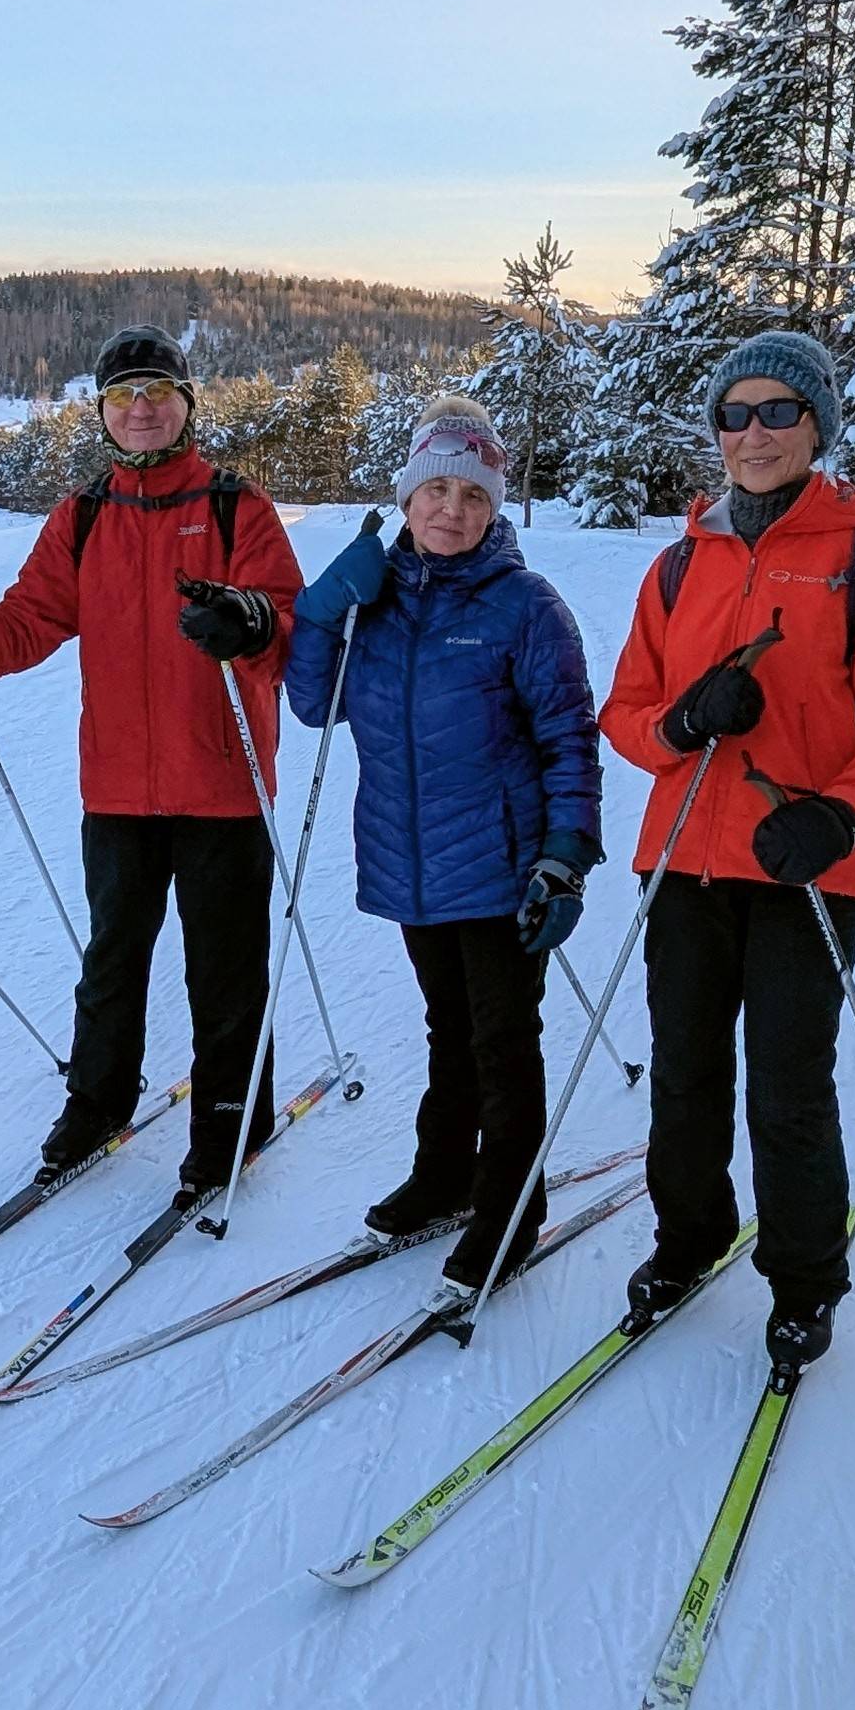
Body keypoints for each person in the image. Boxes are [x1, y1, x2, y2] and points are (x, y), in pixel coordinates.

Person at [0, 325, 305, 1211]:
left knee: (225, 969)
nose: (142, 407)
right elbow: (24, 625)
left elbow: (290, 635)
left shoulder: (240, 510)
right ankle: (96, 1103)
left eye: (158, 390)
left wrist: (249, 623)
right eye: (124, 396)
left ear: (188, 404)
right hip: (117, 788)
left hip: (222, 786)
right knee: (113, 959)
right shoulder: (82, 518)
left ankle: (232, 1120)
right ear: (104, 416)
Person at [595, 331, 855, 1369]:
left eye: (778, 411)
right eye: (734, 415)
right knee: (686, 1079)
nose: (753, 433)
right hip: (685, 864)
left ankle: (803, 1279)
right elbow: (627, 716)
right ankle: (689, 1238)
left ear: (817, 426)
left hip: (805, 872)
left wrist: (840, 814)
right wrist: (684, 727)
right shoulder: (677, 565)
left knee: (787, 1087)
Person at [284, 394, 601, 1311]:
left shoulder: (528, 608)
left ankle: (510, 1209)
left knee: (504, 1043)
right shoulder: (375, 599)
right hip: (410, 861)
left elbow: (568, 738)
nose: (451, 509)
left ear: (495, 504)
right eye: (436, 489)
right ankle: (443, 1176)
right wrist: (319, 615)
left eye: (472, 492)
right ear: (409, 494)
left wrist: (566, 854)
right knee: (447, 1032)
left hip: (502, 869)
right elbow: (314, 704)